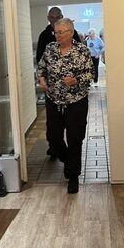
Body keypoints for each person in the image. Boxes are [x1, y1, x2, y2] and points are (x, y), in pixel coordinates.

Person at [37, 18, 93, 193]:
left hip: (76, 101)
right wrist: (41, 79)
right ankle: (68, 161)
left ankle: (73, 176)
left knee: (75, 138)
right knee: (53, 138)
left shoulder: (82, 50)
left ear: (71, 32)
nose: (57, 35)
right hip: (54, 100)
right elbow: (41, 68)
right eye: (56, 32)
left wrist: (75, 80)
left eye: (61, 32)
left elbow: (90, 73)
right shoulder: (50, 49)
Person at [36, 6, 80, 161]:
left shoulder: (75, 38)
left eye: (57, 17)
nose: (54, 20)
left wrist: (76, 78)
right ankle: (58, 150)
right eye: (52, 17)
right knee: (53, 130)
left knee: (74, 129)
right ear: (48, 18)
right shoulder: (44, 37)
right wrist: (42, 77)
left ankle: (70, 162)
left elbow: (84, 66)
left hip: (73, 93)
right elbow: (40, 61)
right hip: (52, 91)